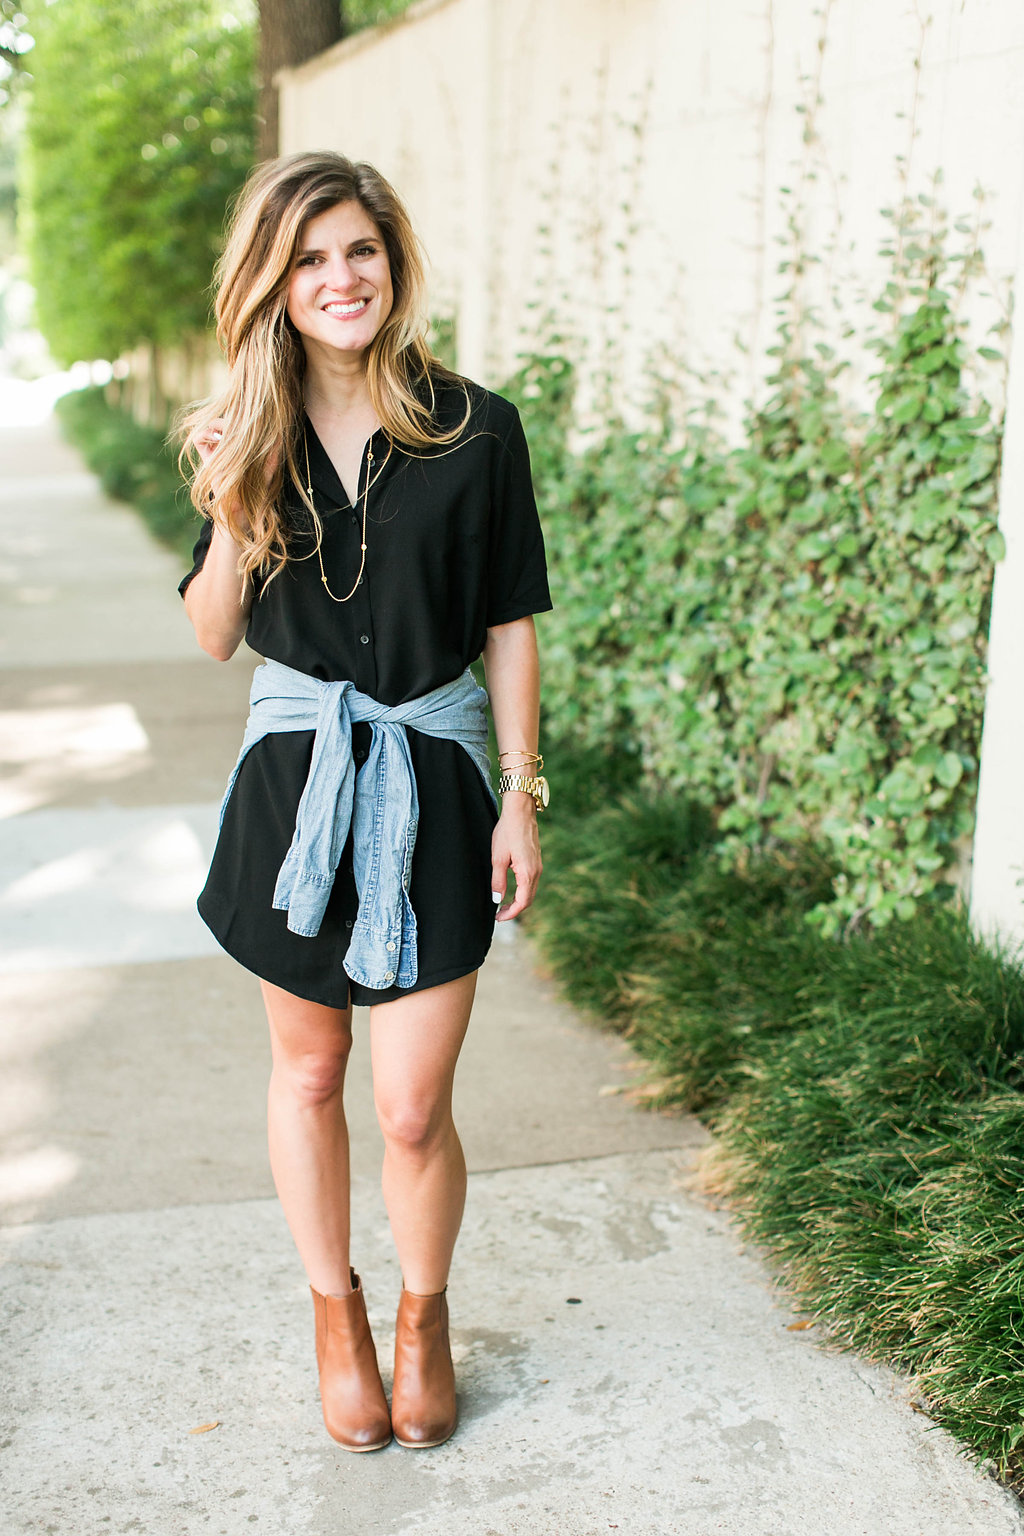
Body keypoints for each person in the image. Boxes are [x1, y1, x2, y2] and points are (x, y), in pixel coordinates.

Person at [178, 151, 551, 1452]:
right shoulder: (247, 431)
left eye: (360, 250)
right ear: (274, 285)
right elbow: (216, 633)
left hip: (435, 782)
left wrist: (524, 793)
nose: (340, 277)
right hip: (297, 784)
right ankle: (333, 1315)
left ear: (393, 264)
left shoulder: (476, 425)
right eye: (311, 257)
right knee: (313, 1070)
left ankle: (423, 1313)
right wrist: (229, 501)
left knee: (408, 1103)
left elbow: (509, 622)